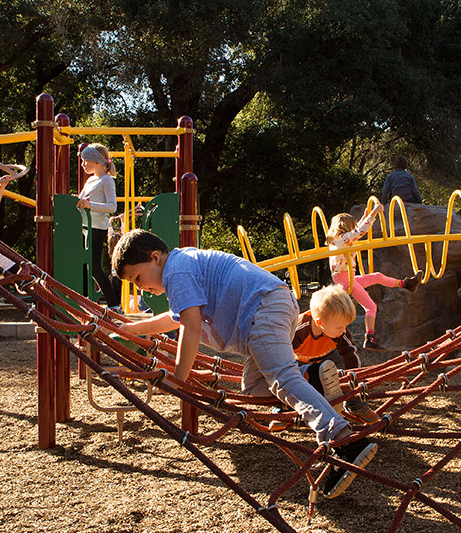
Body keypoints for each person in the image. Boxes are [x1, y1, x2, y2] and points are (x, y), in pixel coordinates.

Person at [112, 229, 377, 499]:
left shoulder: (175, 272)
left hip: (262, 307)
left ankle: (343, 439)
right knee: (253, 390)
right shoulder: (184, 263)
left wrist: (178, 378)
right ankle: (312, 379)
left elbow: (190, 328)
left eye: (137, 277)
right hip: (269, 306)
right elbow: (176, 317)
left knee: (282, 379)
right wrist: (134, 329)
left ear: (154, 258)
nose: (139, 286)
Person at [326, 203, 423, 351]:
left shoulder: (338, 239)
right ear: (346, 227)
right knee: (371, 306)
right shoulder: (342, 239)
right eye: (352, 225)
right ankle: (369, 338)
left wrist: (366, 215)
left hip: (347, 277)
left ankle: (406, 284)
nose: (354, 228)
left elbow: (356, 231)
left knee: (377, 276)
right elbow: (360, 231)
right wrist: (375, 213)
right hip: (345, 280)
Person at [294, 285, 379, 425]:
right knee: (287, 376)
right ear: (320, 323)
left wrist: (353, 377)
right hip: (300, 359)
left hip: (328, 356)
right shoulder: (299, 329)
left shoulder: (340, 333)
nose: (344, 330)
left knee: (346, 369)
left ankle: (355, 404)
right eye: (340, 327)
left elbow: (350, 355)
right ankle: (281, 408)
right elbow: (281, 355)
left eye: (345, 326)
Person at [78, 143, 121, 310]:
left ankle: (113, 305)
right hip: (84, 226)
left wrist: (89, 205)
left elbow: (112, 207)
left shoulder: (107, 180)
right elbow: (84, 200)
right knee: (85, 266)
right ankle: (84, 300)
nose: (83, 164)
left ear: (96, 161)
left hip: (97, 227)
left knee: (95, 267)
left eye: (85, 161)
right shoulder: (90, 180)